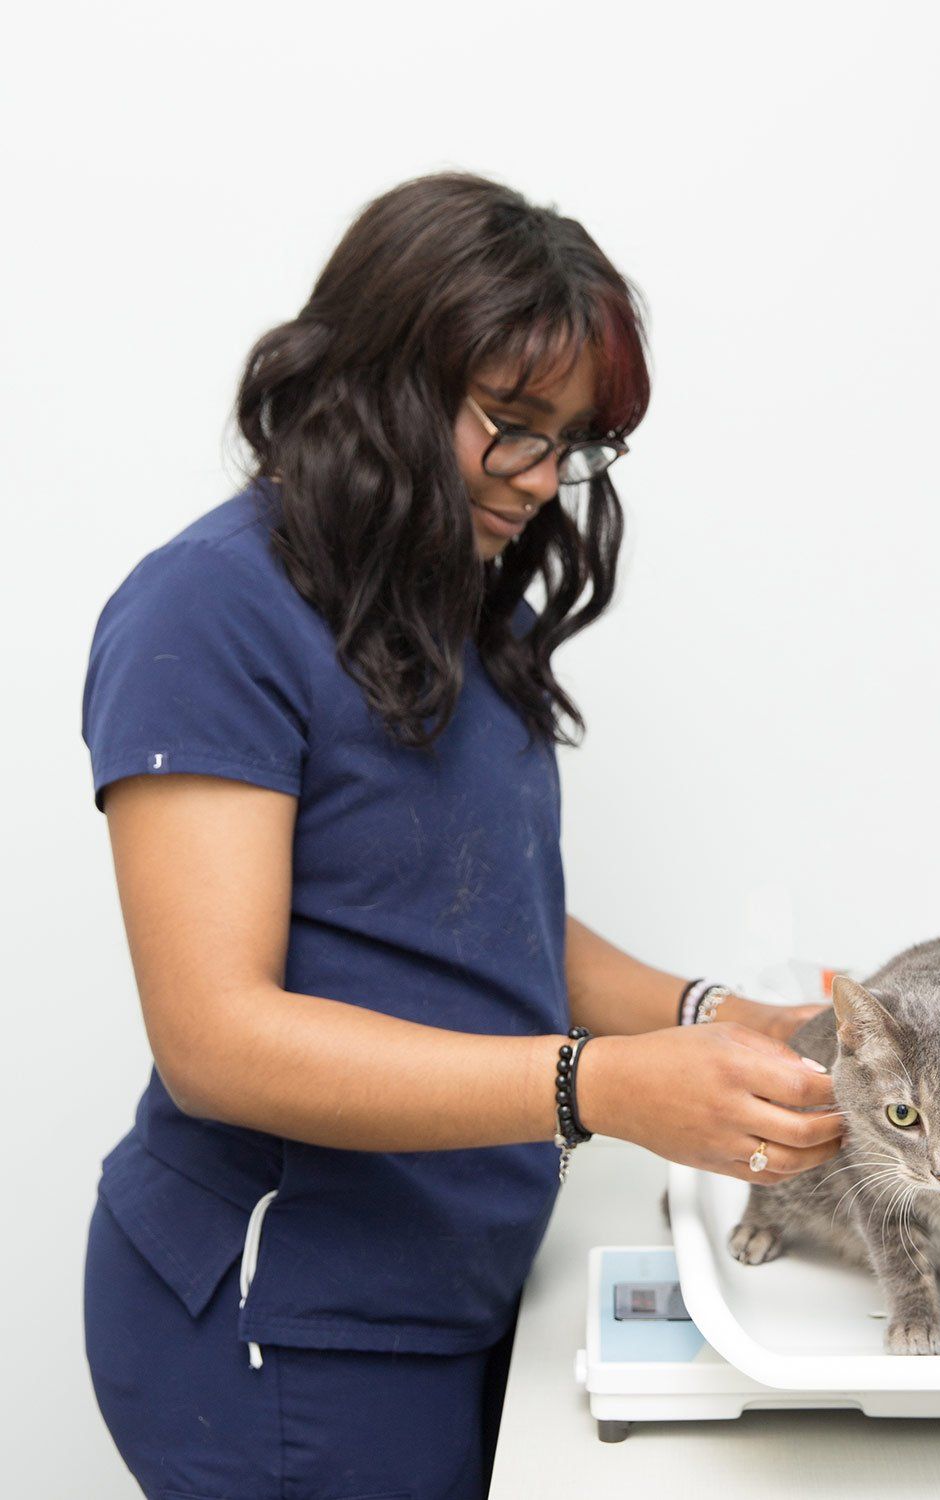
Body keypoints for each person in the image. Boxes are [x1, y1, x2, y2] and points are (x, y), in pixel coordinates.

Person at [80, 171, 842, 1500]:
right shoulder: (209, 612)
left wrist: (715, 1016)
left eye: (577, 445)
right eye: (513, 425)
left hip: (452, 1294)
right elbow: (214, 1038)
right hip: (287, 1325)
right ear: (378, 373)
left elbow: (483, 919)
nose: (546, 483)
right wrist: (595, 1087)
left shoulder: (465, 610)